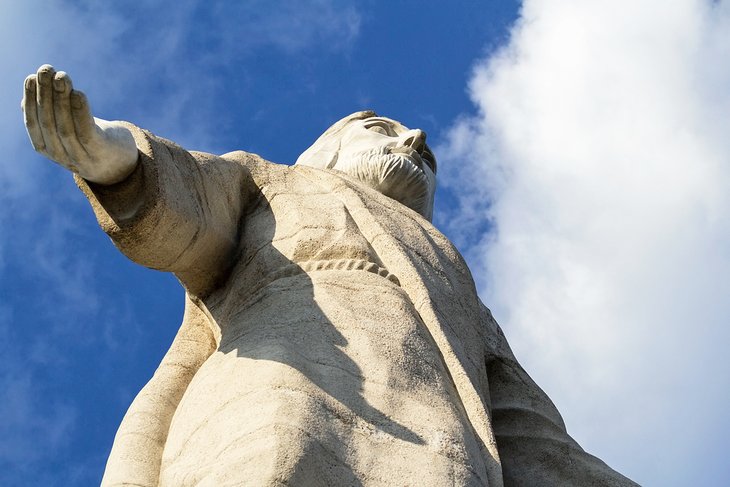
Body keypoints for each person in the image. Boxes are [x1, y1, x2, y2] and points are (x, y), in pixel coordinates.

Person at [23, 64, 637, 487]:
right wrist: (116, 160)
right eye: (381, 129)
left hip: (446, 450)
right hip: (278, 386)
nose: (415, 139)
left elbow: (527, 429)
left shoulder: (454, 282)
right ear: (327, 150)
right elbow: (194, 206)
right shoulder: (275, 181)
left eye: (419, 146)